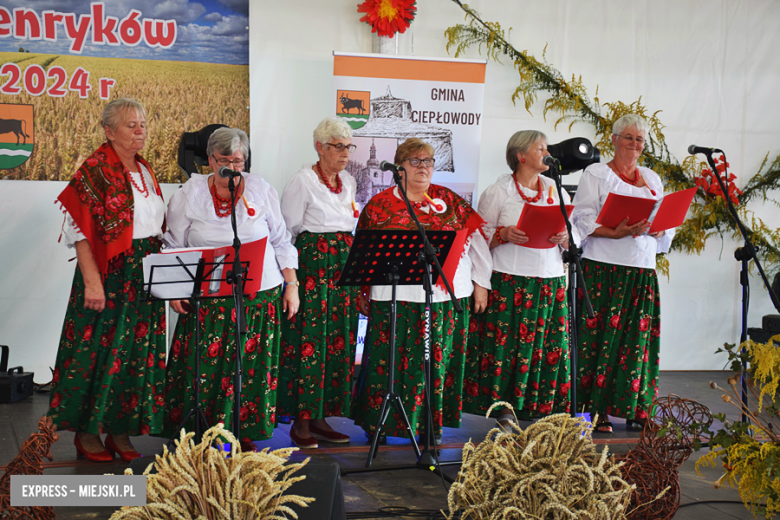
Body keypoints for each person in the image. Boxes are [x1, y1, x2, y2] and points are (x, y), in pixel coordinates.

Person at [162, 127, 299, 452]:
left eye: (238, 161)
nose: (231, 168)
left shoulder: (261, 190)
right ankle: (197, 431)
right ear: (209, 160)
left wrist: (291, 284)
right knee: (204, 367)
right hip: (206, 299)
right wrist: (175, 290)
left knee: (250, 365)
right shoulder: (188, 194)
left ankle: (243, 427)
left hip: (258, 296)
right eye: (224, 160)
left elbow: (281, 241)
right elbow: (172, 244)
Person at [351, 138, 492, 444]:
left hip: (444, 297)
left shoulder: (449, 201)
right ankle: (380, 423)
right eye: (415, 161)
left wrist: (481, 283)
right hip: (395, 298)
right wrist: (363, 293)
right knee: (388, 362)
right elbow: (363, 253)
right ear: (398, 168)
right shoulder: (379, 205)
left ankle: (430, 424)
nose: (423, 167)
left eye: (428, 161)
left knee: (435, 363)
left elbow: (476, 242)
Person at [48, 98, 166, 462]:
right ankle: (87, 434)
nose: (140, 130)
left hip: (144, 274)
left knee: (136, 357)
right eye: (131, 125)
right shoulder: (96, 169)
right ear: (108, 131)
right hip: (110, 273)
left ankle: (120, 431)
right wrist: (93, 282)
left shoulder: (145, 170)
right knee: (98, 353)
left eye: (143, 123)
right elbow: (79, 231)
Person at [571, 114, 674, 433]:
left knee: (637, 340)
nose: (634, 144)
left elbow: (665, 226)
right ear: (613, 140)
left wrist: (659, 230)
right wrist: (614, 232)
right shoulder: (597, 173)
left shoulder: (653, 179)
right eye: (628, 137)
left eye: (640, 140)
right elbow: (581, 219)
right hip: (603, 268)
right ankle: (594, 412)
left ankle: (636, 407)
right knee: (598, 340)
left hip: (641, 271)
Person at [463, 130, 573, 426]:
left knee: (545, 344)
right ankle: (504, 407)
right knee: (508, 346)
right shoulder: (498, 191)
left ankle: (541, 405)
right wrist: (503, 234)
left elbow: (571, 233)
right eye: (540, 148)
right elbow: (477, 237)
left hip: (549, 280)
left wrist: (565, 236)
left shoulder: (555, 189)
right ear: (520, 155)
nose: (547, 152)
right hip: (511, 280)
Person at [278, 117, 361, 449]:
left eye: (347, 147)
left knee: (337, 343)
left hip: (342, 271)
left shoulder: (350, 182)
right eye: (338, 146)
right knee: (308, 343)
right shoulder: (302, 181)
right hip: (313, 269)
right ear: (320, 147)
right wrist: (292, 281)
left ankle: (323, 416)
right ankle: (301, 420)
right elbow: (287, 232)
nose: (345, 153)